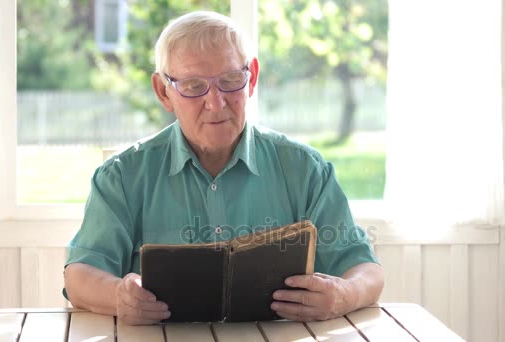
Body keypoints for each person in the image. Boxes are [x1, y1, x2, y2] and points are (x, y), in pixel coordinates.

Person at [63, 10, 384, 326]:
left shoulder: (305, 171)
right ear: (164, 92)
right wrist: (119, 296)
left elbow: (367, 272)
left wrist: (343, 294)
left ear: (252, 78)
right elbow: (79, 276)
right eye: (192, 86)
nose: (215, 103)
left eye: (230, 81)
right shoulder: (122, 177)